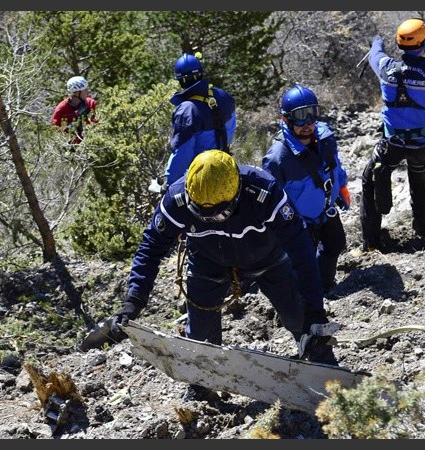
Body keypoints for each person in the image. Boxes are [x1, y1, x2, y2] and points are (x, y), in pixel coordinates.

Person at [108, 149, 338, 402]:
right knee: (200, 336)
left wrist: (315, 311)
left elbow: (302, 251)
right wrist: (134, 299)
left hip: (267, 259)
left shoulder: (264, 192)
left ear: (237, 193)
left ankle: (325, 367)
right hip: (209, 262)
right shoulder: (177, 200)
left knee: (300, 317)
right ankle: (201, 385)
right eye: (203, 215)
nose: (213, 220)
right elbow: (150, 248)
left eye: (220, 214)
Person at [360, 18, 425, 253]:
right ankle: (421, 232)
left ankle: (370, 242)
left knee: (371, 178)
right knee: (419, 184)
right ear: (424, 44)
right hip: (422, 145)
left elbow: (374, 53)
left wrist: (376, 41)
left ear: (399, 44)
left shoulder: (386, 68)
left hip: (391, 144)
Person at [262, 84, 350, 297]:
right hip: (300, 223)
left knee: (335, 244)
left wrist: (342, 188)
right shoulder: (277, 158)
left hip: (326, 211)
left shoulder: (325, 139)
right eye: (300, 117)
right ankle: (302, 299)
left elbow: (335, 166)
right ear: (286, 119)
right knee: (301, 265)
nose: (307, 124)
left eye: (311, 114)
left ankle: (325, 285)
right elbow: (270, 200)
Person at [161, 52, 236, 189]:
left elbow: (182, 154)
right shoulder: (224, 96)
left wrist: (169, 184)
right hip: (225, 166)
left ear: (180, 80)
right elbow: (230, 131)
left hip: (200, 179)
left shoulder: (186, 111)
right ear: (201, 73)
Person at [51, 75, 98, 146]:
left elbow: (98, 123)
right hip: (71, 147)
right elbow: (55, 129)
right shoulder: (61, 109)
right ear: (77, 93)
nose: (88, 91)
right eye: (85, 90)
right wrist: (69, 129)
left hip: (91, 143)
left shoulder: (91, 103)